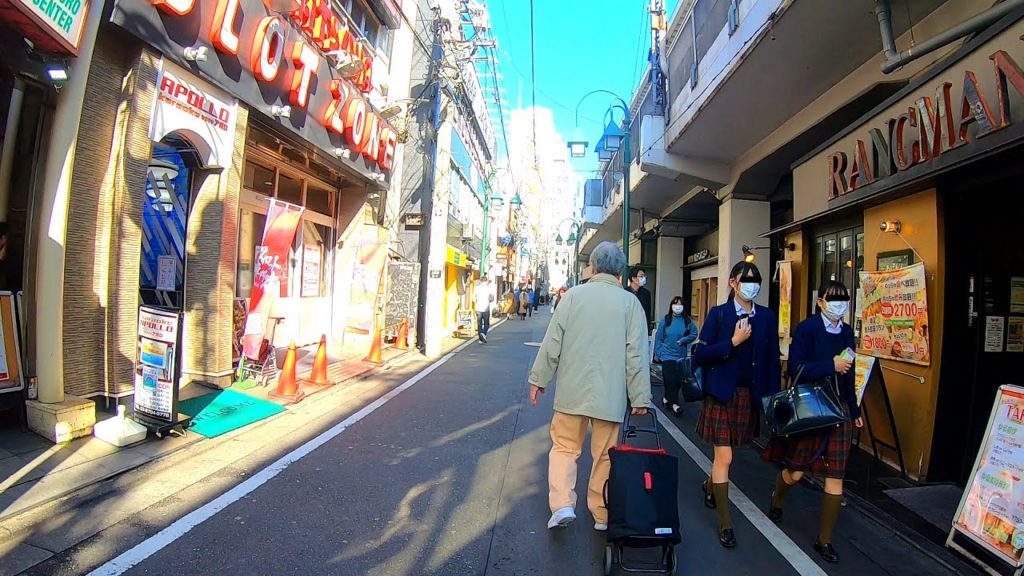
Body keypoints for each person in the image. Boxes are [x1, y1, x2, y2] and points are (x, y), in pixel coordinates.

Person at [528, 241, 652, 532]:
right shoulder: (630, 303)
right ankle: (601, 512)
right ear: (620, 271)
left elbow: (552, 342)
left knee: (564, 447)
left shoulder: (573, 297)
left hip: (572, 390)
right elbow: (636, 354)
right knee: (606, 455)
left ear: (593, 266)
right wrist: (640, 397)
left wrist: (539, 379)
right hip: (610, 395)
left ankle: (561, 504)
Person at [763, 280, 863, 564]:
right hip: (811, 406)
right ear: (821, 303)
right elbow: (796, 368)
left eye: (844, 300)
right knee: (795, 472)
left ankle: (825, 540)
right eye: (833, 300)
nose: (839, 305)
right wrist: (829, 365)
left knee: (836, 478)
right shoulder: (807, 328)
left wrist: (854, 411)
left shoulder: (847, 332)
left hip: (839, 409)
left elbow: (850, 374)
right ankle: (778, 497)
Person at [693, 261, 781, 549]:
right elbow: (700, 355)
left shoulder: (766, 317)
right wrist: (732, 342)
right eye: (746, 279)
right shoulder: (719, 315)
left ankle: (710, 486)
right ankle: (726, 523)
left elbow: (770, 362)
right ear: (732, 283)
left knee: (728, 456)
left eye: (756, 280)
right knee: (726, 459)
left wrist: (772, 400)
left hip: (748, 396)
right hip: (720, 395)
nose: (752, 285)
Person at [654, 296, 699, 416]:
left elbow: (694, 333)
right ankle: (675, 405)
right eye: (675, 304)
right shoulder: (666, 320)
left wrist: (685, 340)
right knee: (669, 378)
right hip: (667, 355)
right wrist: (659, 352)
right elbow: (659, 337)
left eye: (680, 304)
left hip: (680, 355)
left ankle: (667, 398)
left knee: (678, 380)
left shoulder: (687, 321)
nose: (677, 306)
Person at [473, 278, 494, 343]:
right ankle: (483, 333)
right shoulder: (489, 289)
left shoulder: (476, 288)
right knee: (486, 324)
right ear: (486, 281)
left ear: (481, 281)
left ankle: (480, 339)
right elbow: (492, 299)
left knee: (479, 324)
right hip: (486, 308)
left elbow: (474, 299)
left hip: (478, 308)